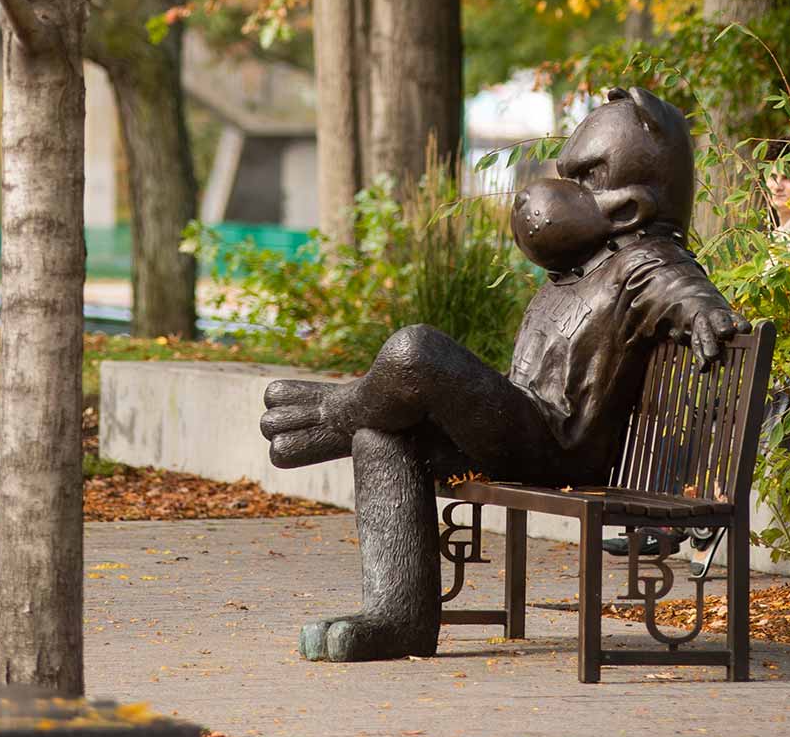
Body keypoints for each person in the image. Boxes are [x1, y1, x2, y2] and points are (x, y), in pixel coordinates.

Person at [260, 86, 742, 661]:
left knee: (415, 351)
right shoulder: (579, 269)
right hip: (522, 427)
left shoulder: (640, 264)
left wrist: (707, 313)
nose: (560, 190)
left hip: (556, 448)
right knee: (382, 433)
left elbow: (681, 286)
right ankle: (398, 617)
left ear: (631, 208)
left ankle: (329, 412)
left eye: (585, 177)